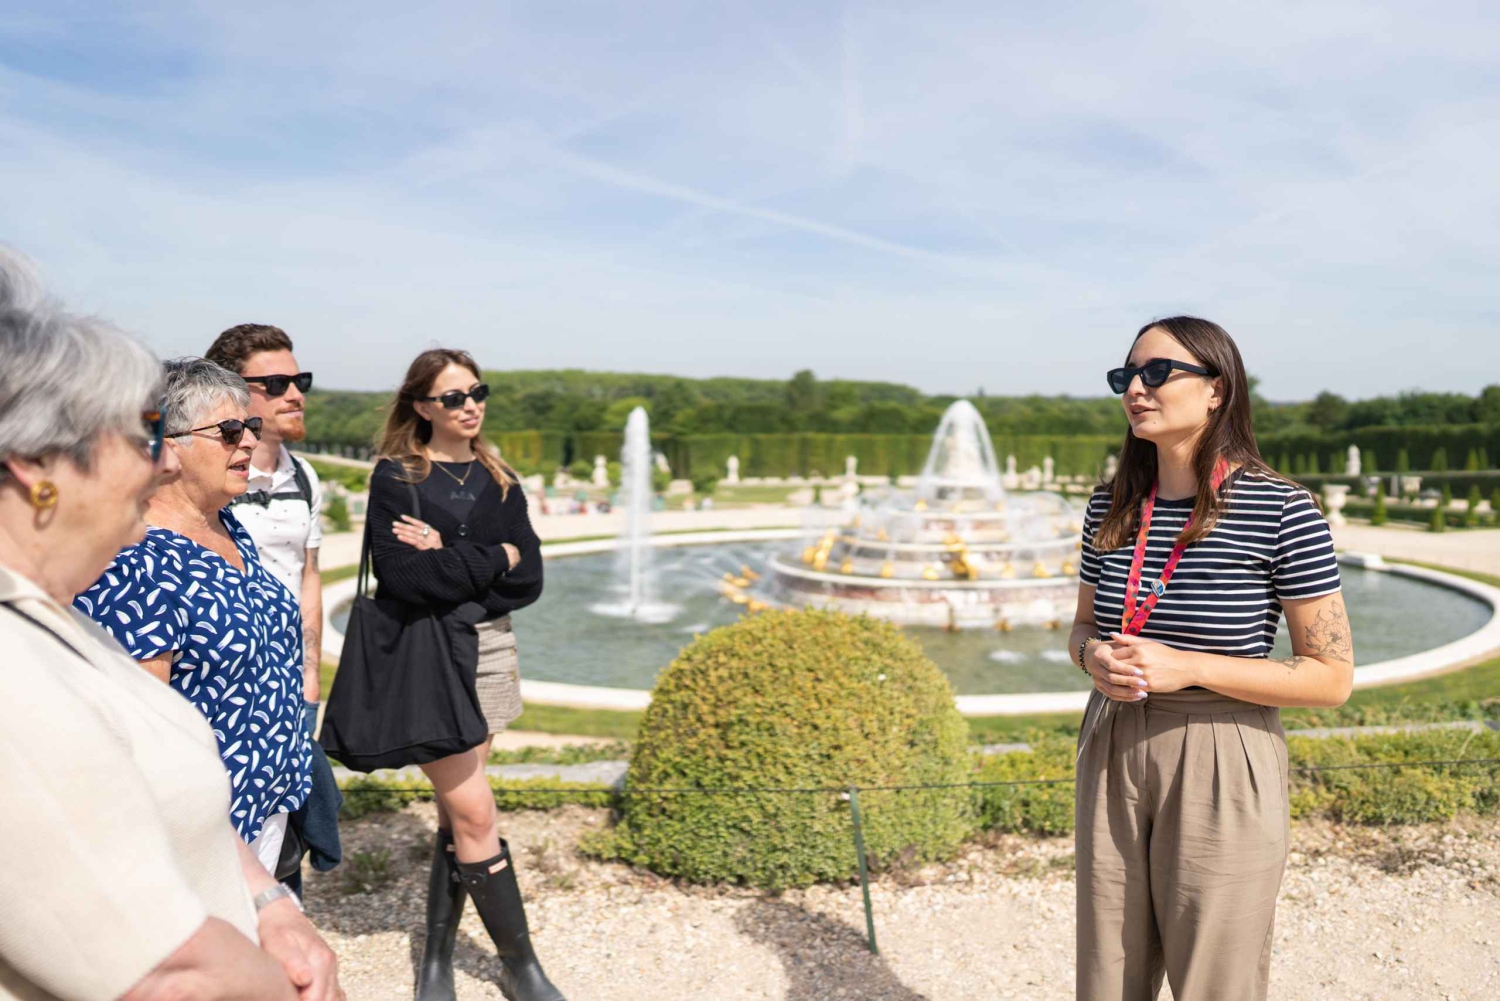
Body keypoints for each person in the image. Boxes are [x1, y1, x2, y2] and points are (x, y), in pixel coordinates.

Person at [0, 251, 340, 1000]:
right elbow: (162, 970)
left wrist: (268, 900)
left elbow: (157, 772)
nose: (151, 464)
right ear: (35, 464)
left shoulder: (43, 615)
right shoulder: (14, 669)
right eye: (138, 435)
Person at [1068, 316, 1354, 1001]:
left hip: (1222, 750)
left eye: (1157, 372)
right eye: (1125, 377)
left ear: (1218, 389)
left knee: (1214, 983)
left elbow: (1331, 676)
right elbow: (1080, 627)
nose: (1135, 388)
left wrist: (1190, 666)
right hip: (1110, 740)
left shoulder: (1282, 510)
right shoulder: (1110, 507)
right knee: (1108, 978)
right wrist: (1093, 657)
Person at [361, 348, 558, 1001]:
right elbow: (404, 578)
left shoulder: (500, 480)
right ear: (422, 406)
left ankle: (437, 961)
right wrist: (490, 557)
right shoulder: (397, 479)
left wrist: (450, 552)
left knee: (458, 814)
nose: (470, 404)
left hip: (492, 650)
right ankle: (520, 965)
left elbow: (529, 577)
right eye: (453, 396)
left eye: (478, 391)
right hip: (429, 653)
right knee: (475, 809)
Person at [76, 358, 314, 877]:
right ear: (165, 443)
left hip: (267, 806)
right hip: (203, 839)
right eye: (230, 431)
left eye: (250, 426)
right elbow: (145, 744)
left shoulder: (225, 524)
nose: (249, 441)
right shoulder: (134, 561)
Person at [207, 323, 342, 892]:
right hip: (221, 687)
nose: (296, 393)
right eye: (278, 382)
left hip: (288, 688)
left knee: (283, 836)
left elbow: (308, 576)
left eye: (299, 379)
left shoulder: (304, 477)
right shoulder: (205, 475)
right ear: (235, 393)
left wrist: (310, 677)